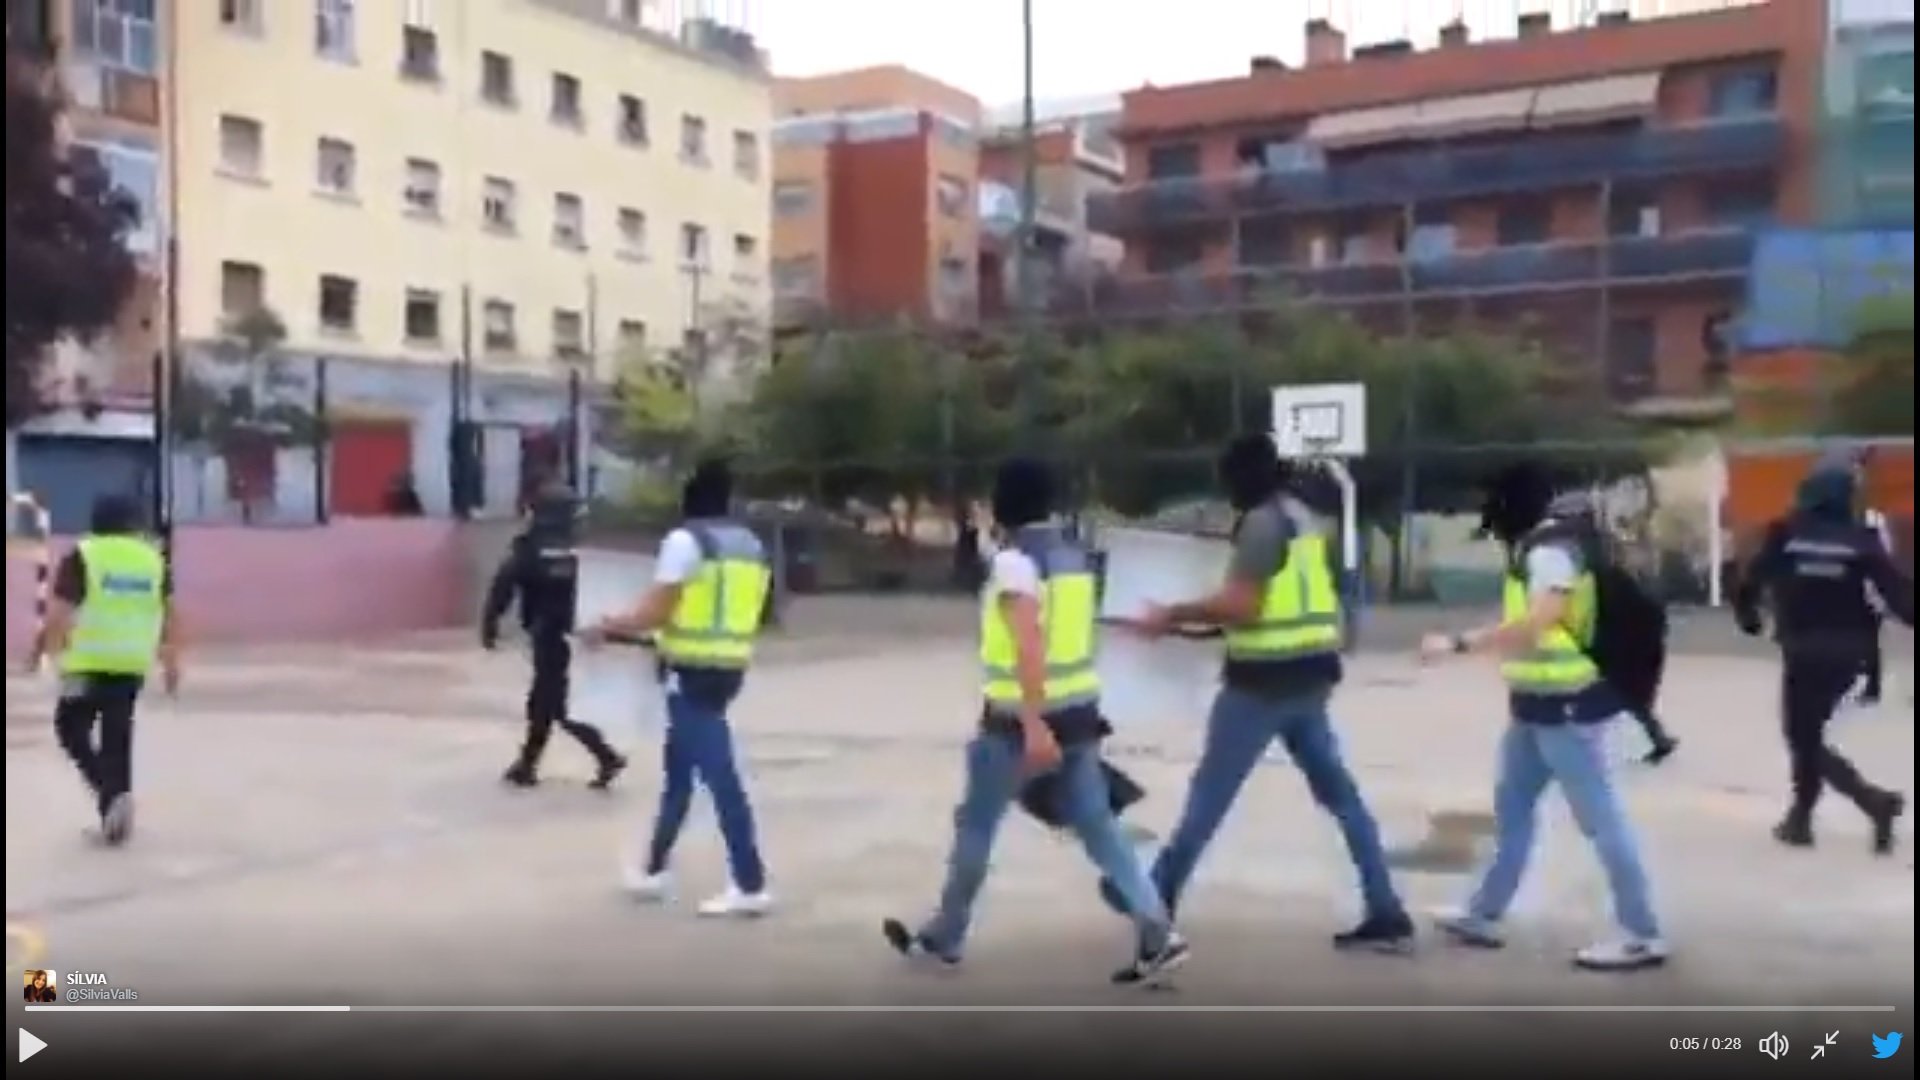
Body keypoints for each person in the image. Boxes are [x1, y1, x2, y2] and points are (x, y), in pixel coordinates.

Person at [881, 457, 1189, 986]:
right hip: (1080, 714)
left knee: (976, 827)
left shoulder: (1015, 563)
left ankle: (945, 937)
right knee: (1098, 828)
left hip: (1017, 722)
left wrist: (1032, 723)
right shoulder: (1071, 558)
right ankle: (1157, 929)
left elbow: (1028, 641)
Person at [1108, 434, 1413, 952]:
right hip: (1310, 677)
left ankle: (1155, 899)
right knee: (1342, 798)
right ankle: (1385, 908)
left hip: (1261, 686)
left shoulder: (1261, 525)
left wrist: (1172, 614)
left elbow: (1242, 606)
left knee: (1207, 801)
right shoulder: (1303, 517)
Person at [1420, 466, 1668, 971]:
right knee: (1512, 811)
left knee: (1600, 820)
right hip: (1534, 707)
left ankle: (1642, 932)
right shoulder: (1545, 545)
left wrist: (1459, 642)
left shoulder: (1549, 551)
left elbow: (1543, 619)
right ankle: (1482, 914)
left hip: (1566, 708)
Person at [586, 460, 776, 918]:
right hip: (729, 667)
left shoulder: (685, 542)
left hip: (691, 672)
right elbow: (732, 611)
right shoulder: (751, 546)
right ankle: (654, 869)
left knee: (720, 778)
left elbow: (655, 612)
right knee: (679, 774)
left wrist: (607, 625)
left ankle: (750, 882)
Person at [1733, 459, 1911, 855]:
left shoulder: (1786, 533)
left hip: (1803, 650)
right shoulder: (1861, 540)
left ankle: (1868, 803)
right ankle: (1802, 818)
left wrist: (1747, 615)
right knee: (1807, 735)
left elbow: (1753, 578)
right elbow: (1898, 596)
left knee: (1803, 737)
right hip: (1849, 655)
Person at [42, 494, 181, 846]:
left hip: (86, 664)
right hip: (132, 662)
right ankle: (116, 811)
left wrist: (48, 652)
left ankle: (110, 795)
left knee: (70, 727)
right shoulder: (153, 560)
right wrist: (171, 662)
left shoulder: (84, 555)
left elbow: (59, 611)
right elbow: (170, 615)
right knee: (117, 736)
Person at [481, 482, 626, 790]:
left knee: (553, 707)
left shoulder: (529, 548)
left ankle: (605, 756)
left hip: (547, 636)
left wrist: (489, 626)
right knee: (546, 704)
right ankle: (528, 765)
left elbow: (502, 588)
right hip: (570, 634)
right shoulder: (572, 550)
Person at [1858, 501, 1893, 706]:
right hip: (1856, 590)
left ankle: (1872, 685)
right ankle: (1867, 679)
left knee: (1868, 638)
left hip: (1869, 590)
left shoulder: (1873, 523)